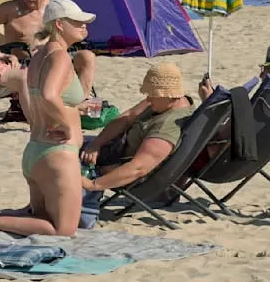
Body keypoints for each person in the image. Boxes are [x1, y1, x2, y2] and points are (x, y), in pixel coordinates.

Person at [0, 0, 99, 236]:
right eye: (77, 22)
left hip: (36, 150)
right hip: (58, 154)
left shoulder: (39, 56)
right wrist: (67, 126)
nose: (84, 26)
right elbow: (49, 95)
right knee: (64, 230)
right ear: (59, 24)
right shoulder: (60, 57)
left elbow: (39, 99)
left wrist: (70, 111)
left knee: (40, 218)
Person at [77, 62, 197, 196]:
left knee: (61, 154)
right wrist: (96, 143)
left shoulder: (166, 127)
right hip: (114, 148)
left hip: (118, 166)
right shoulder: (169, 102)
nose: (148, 99)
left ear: (169, 95)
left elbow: (138, 168)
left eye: (153, 95)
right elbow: (127, 117)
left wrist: (93, 184)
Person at [0, 0, 98, 94]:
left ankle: (83, 101)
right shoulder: (10, 9)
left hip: (58, 56)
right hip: (26, 63)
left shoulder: (55, 9)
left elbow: (82, 33)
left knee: (87, 57)